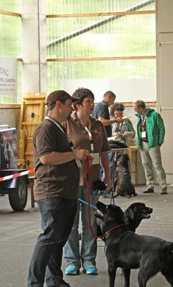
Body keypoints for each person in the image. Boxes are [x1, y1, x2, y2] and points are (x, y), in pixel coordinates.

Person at [27, 90, 90, 287]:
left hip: (65, 191)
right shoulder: (46, 129)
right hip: (52, 191)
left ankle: (54, 280)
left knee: (58, 239)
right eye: (70, 103)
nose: (73, 107)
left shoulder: (59, 128)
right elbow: (46, 158)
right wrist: (75, 154)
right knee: (49, 237)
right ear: (58, 105)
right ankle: (34, 282)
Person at [63, 87, 113, 276]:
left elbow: (104, 153)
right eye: (88, 102)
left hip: (93, 180)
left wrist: (107, 176)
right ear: (77, 104)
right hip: (72, 181)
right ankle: (72, 261)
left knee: (90, 222)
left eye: (93, 101)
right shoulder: (67, 124)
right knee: (72, 222)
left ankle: (89, 260)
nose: (92, 105)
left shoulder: (98, 126)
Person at [133, 100, 168, 194]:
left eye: (135, 109)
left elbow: (162, 128)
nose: (135, 110)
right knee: (146, 165)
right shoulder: (139, 117)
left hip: (153, 144)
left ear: (141, 108)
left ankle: (163, 186)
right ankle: (150, 186)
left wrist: (159, 142)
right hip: (142, 144)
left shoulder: (155, 115)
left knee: (157, 165)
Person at [92, 91, 123, 185]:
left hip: (98, 138)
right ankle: (108, 185)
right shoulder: (103, 106)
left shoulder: (97, 106)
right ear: (108, 97)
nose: (112, 103)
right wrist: (115, 121)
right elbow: (102, 121)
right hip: (104, 138)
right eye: (113, 100)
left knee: (102, 164)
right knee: (109, 164)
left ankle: (103, 184)